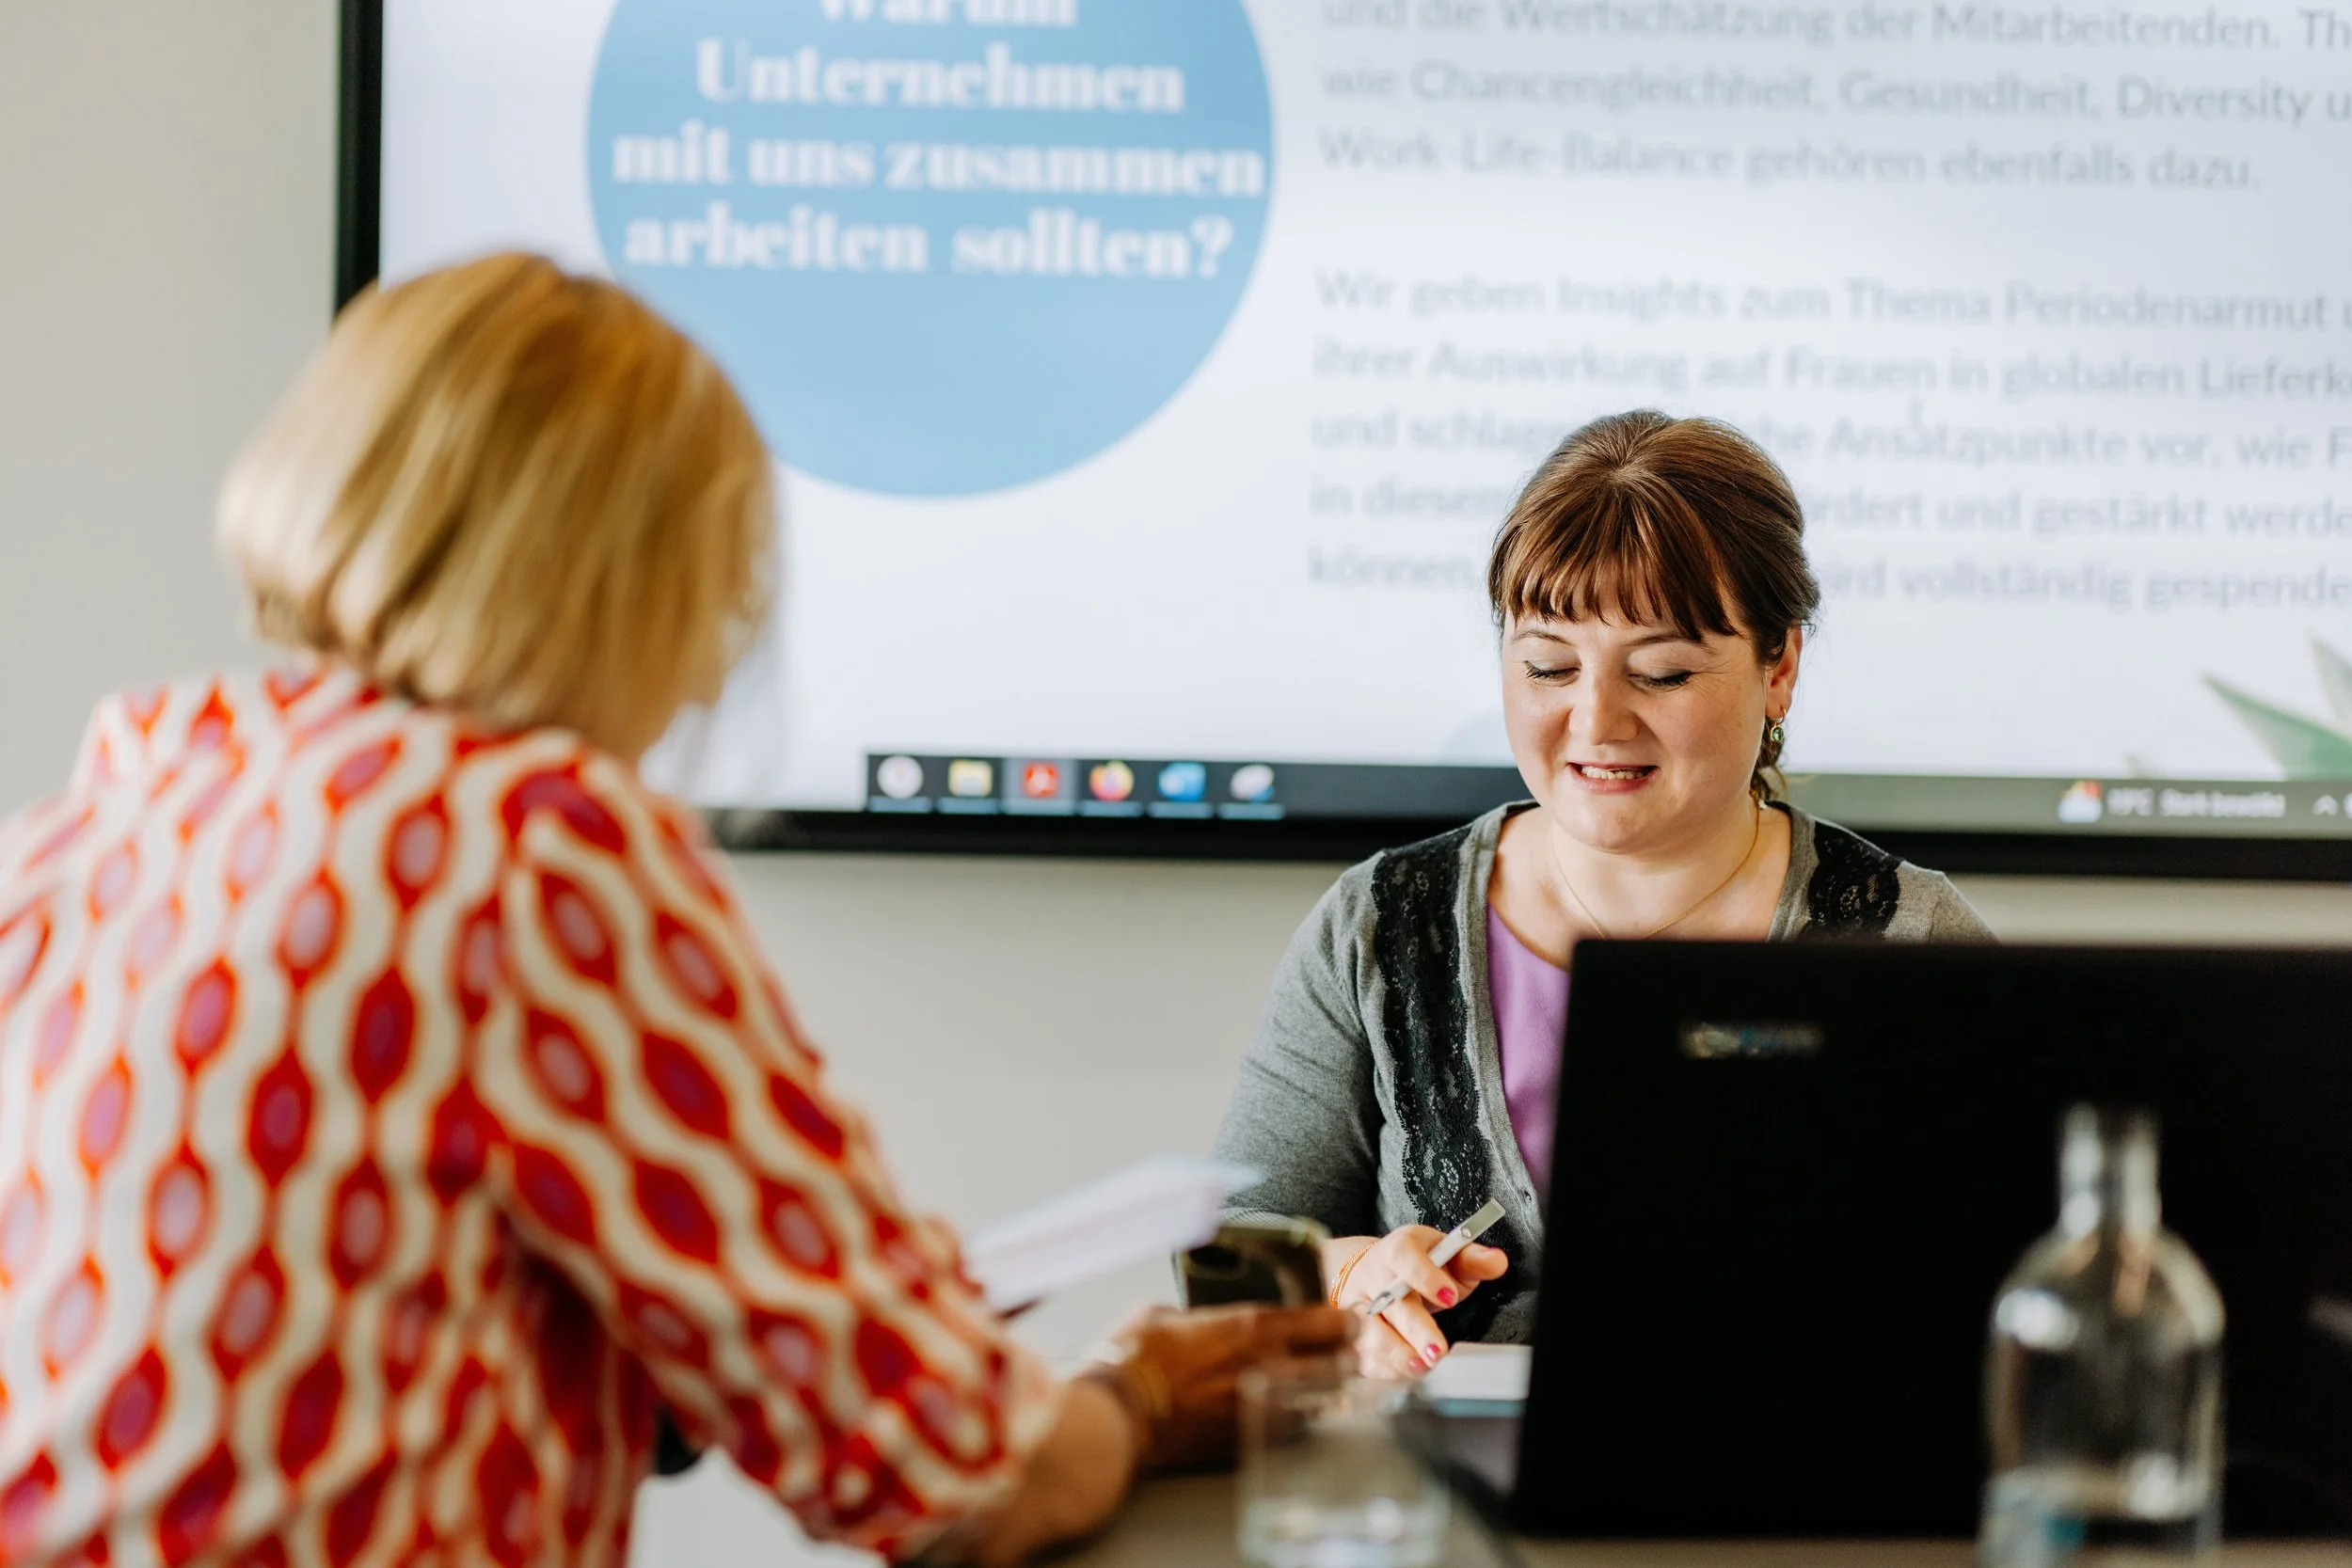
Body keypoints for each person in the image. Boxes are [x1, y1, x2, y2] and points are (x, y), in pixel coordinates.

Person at [0, 253, 1348, 1568]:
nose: (707, 676)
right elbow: (961, 1479)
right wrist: (1141, 1392)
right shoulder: (529, 839)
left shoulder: (99, 817)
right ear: (636, 580)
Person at [1213, 410, 1992, 1379]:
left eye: (1660, 672)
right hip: (1444, 1505)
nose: (1593, 719)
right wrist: (1345, 1271)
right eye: (1545, 664)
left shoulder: (1913, 938)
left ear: (1779, 664)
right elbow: (1222, 1260)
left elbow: (2024, 1271)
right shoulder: (1378, 924)